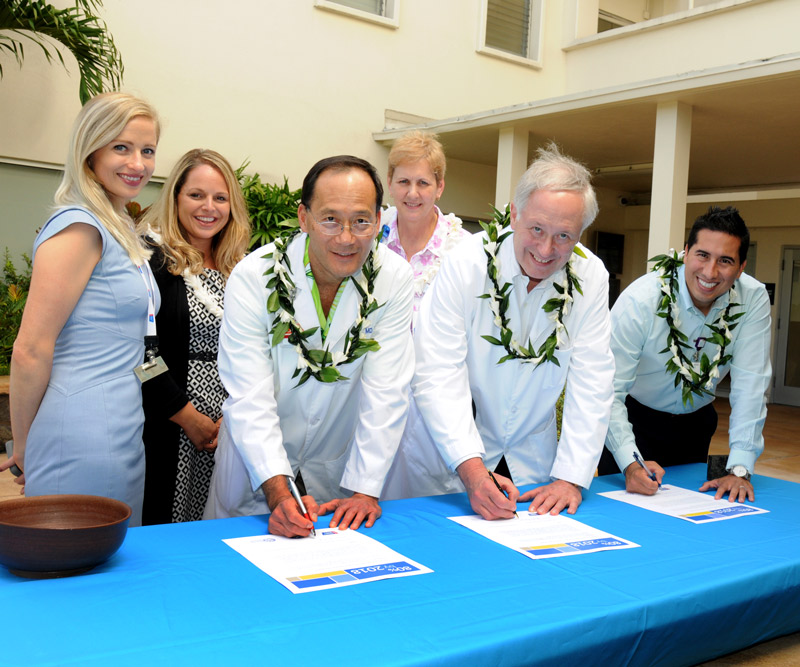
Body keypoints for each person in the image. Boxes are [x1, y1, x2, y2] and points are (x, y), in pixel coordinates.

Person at [204, 155, 415, 537]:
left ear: (379, 220)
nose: (347, 237)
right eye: (330, 219)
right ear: (304, 218)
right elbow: (249, 395)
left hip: (336, 473)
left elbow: (387, 390)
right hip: (256, 474)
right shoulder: (255, 276)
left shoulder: (395, 277)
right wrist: (278, 492)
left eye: (361, 220)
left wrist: (365, 490)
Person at [409, 143, 615, 519]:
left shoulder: (591, 276)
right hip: (455, 460)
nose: (546, 249)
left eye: (564, 236)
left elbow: (593, 380)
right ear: (515, 214)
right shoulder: (465, 264)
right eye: (536, 229)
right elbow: (437, 373)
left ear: (581, 233)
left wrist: (571, 478)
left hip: (537, 469)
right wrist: (471, 472)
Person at [2, 92, 160, 526]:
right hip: (80, 428)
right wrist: (24, 444)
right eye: (121, 147)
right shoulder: (80, 228)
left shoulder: (117, 226)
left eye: (147, 150)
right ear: (90, 151)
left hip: (122, 424)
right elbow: (31, 348)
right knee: (75, 572)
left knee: (109, 568)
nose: (138, 163)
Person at [599, 206, 772, 502]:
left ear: (741, 267)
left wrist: (740, 468)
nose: (710, 272)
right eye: (702, 255)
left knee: (687, 517)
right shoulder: (642, 300)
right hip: (633, 421)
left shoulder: (752, 299)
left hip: (696, 425)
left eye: (725, 261)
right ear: (686, 252)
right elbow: (608, 391)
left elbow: (751, 386)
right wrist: (630, 461)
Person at [140, 149, 250, 524]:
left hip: (230, 428)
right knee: (169, 530)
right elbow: (141, 357)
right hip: (171, 425)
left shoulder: (244, 269)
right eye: (196, 195)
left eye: (220, 198)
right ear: (175, 198)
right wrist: (187, 416)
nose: (209, 207)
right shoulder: (151, 262)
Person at [378, 131, 470, 500]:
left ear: (440, 186)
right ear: (389, 183)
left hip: (437, 399)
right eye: (403, 181)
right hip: (375, 391)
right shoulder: (369, 237)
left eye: (422, 183)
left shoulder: (463, 250)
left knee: (432, 502)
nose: (412, 193)